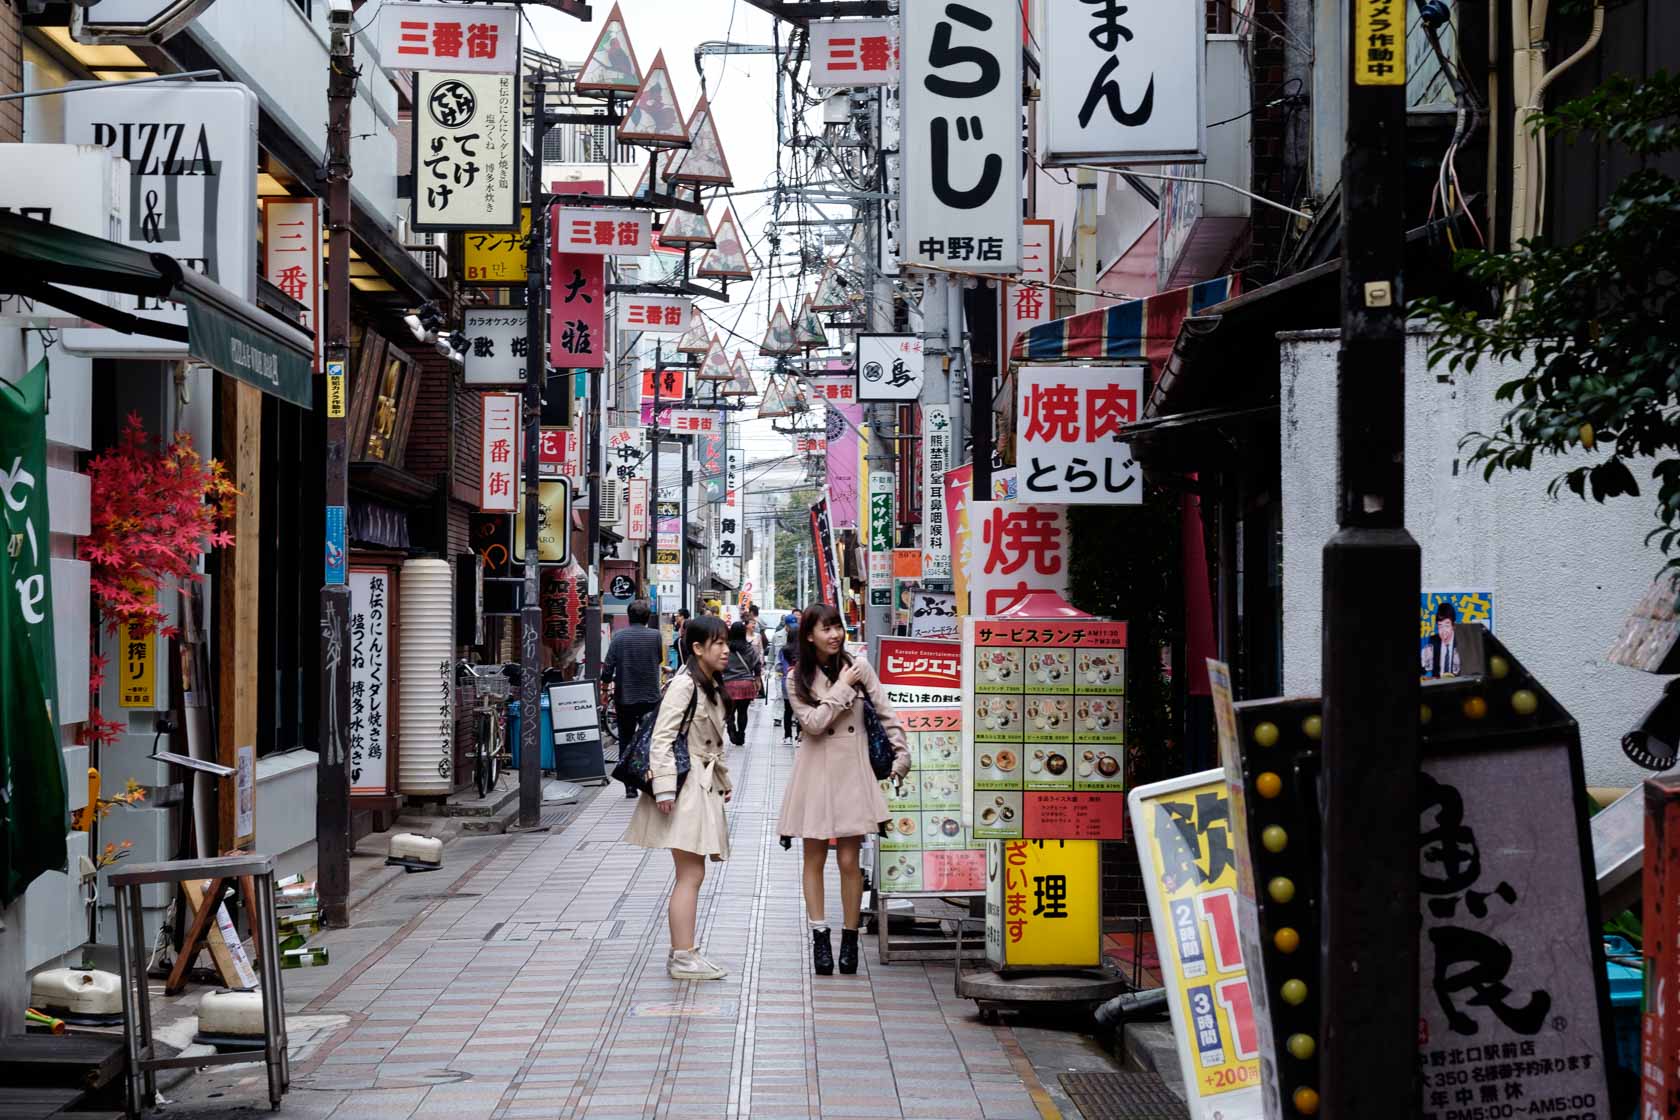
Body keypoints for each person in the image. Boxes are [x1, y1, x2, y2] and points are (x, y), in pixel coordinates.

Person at [778, 603, 911, 976]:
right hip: (816, 772)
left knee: (850, 862)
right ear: (809, 636)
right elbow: (815, 724)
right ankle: (820, 937)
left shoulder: (859, 667)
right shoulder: (795, 679)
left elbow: (886, 713)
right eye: (826, 629)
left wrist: (902, 755)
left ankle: (849, 937)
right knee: (814, 857)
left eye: (837, 627)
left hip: (852, 771)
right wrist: (842, 688)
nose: (835, 634)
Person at [623, 614, 733, 981]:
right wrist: (665, 788)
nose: (726, 650)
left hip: (700, 786)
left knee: (692, 874)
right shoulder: (685, 685)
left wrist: (725, 780)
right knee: (690, 874)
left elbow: (713, 743)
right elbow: (661, 737)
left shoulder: (708, 683)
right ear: (698, 648)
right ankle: (682, 955)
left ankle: (686, 952)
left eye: (726, 642)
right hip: (685, 790)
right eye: (717, 643)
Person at [601, 600, 665, 798]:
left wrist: (604, 688)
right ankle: (648, 779)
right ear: (647, 618)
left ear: (629, 617)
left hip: (625, 697)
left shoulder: (619, 637)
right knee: (649, 740)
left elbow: (608, 665)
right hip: (650, 697)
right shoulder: (655, 636)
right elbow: (659, 660)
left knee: (626, 739)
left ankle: (629, 785)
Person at [720, 621, 764, 746]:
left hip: (729, 684)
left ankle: (731, 728)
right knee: (743, 711)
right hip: (746, 683)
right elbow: (757, 664)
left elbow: (720, 666)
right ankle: (741, 735)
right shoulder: (749, 648)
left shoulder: (726, 649)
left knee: (729, 711)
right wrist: (757, 678)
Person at [776, 615, 800, 742]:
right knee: (801, 709)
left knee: (788, 710)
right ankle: (800, 736)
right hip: (801, 682)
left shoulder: (783, 650)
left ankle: (787, 736)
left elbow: (779, 666)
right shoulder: (805, 650)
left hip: (787, 682)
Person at [1422, 600, 1461, 679]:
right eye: (1440, 626)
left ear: (1453, 626)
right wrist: (1424, 662)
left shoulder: (1462, 641)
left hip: (1457, 686)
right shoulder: (1433, 640)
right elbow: (1424, 670)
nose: (1443, 631)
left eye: (1447, 625)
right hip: (1438, 686)